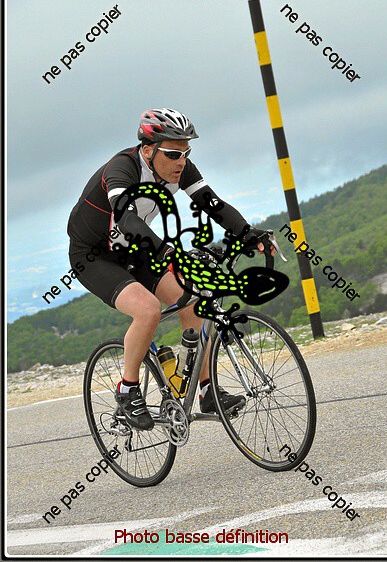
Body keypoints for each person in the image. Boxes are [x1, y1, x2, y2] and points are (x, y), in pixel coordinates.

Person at [68, 108, 271, 430]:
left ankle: (206, 390)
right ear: (148, 150)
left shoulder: (179, 167)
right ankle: (128, 389)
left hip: (135, 250)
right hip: (93, 256)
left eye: (186, 152)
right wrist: (165, 251)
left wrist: (248, 233)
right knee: (147, 310)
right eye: (174, 154)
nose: (181, 161)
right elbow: (126, 217)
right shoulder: (121, 169)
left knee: (193, 302)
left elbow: (212, 204)